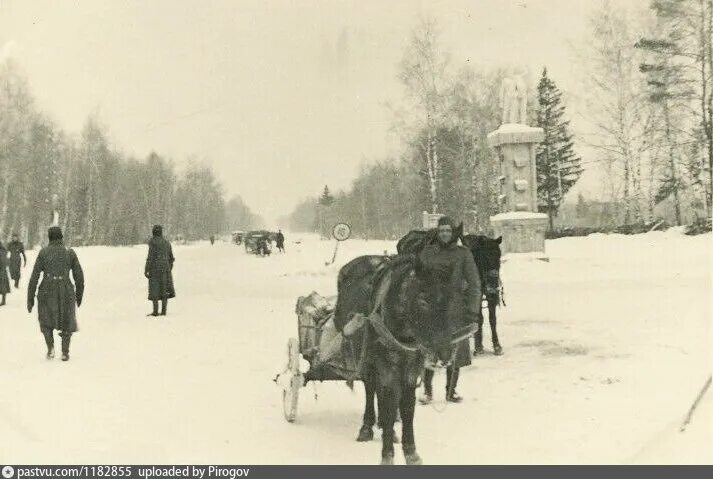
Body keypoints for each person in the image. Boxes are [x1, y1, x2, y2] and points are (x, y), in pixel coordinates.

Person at [418, 216, 481, 404]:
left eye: (448, 230)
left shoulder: (463, 254)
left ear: (453, 233)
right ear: (437, 232)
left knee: (456, 348)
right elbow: (419, 278)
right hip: (431, 307)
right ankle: (427, 391)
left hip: (455, 308)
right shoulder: (428, 252)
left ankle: (450, 390)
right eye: (442, 230)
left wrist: (472, 309)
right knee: (429, 347)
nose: (445, 234)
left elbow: (474, 283)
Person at [27, 226, 84, 361]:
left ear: (49, 237)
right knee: (67, 320)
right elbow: (79, 276)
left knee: (46, 320)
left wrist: (30, 298)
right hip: (66, 288)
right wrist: (79, 295)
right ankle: (65, 352)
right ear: (61, 237)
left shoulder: (43, 253)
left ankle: (50, 348)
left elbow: (34, 276)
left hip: (47, 288)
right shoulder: (69, 252)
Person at [145, 225, 175, 317]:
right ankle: (164, 311)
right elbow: (171, 258)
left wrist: (146, 269)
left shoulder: (152, 242)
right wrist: (168, 268)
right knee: (164, 289)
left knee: (155, 290)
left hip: (155, 269)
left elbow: (150, 258)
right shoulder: (167, 243)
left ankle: (155, 311)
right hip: (165, 269)